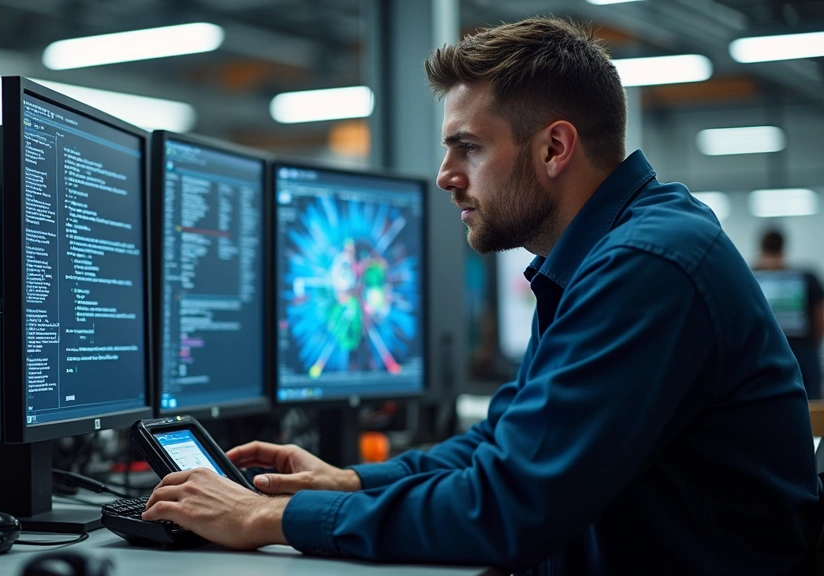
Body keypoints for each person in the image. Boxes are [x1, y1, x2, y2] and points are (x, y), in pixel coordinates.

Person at [142, 17, 822, 574]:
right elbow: (505, 443)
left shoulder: (645, 267)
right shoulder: (602, 255)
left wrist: (271, 516)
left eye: (467, 147)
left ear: (554, 148)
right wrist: (348, 482)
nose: (445, 176)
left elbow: (507, 506)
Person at [752, 228, 824, 399]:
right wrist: (813, 344)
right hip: (803, 351)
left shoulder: (750, 277)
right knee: (810, 403)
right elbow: (820, 314)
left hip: (765, 352)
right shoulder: (806, 277)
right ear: (783, 248)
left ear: (761, 248)